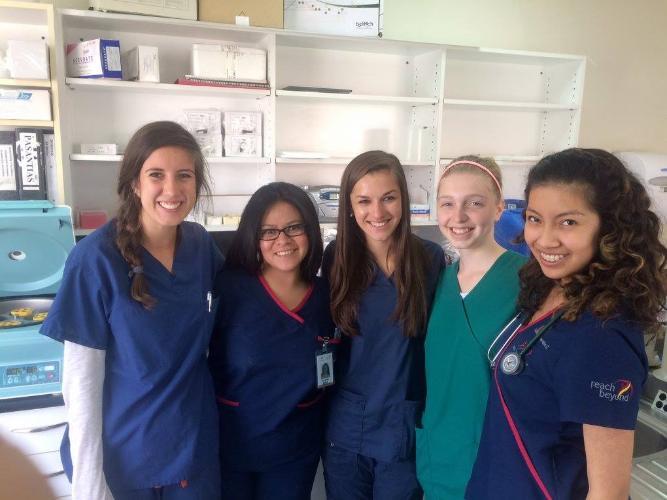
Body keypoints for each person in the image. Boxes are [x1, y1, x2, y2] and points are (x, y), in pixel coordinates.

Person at [466, 148, 667, 499]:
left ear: (609, 228)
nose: (545, 239)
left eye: (568, 222)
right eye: (535, 218)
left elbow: (609, 493)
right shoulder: (552, 288)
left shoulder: (602, 335)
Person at [40, 121, 223, 499]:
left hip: (192, 454)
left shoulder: (200, 247)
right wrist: (90, 485)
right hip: (124, 463)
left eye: (184, 176)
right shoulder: (95, 259)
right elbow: (81, 383)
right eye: (156, 175)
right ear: (135, 183)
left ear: (197, 185)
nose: (171, 190)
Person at [322, 151, 446, 499]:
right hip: (347, 426)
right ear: (349, 205)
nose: (377, 213)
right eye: (364, 200)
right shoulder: (337, 258)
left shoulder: (429, 260)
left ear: (404, 201)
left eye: (388, 198)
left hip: (402, 426)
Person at [208, 182, 335, 500]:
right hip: (232, 447)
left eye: (294, 228)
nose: (283, 240)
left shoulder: (327, 297)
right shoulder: (229, 288)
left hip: (295, 451)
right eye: (269, 231)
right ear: (254, 237)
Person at [417, 156, 527, 499]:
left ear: (498, 209)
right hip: (438, 458)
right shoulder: (439, 280)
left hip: (500, 464)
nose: (458, 217)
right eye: (447, 204)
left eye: (474, 204)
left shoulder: (530, 282)